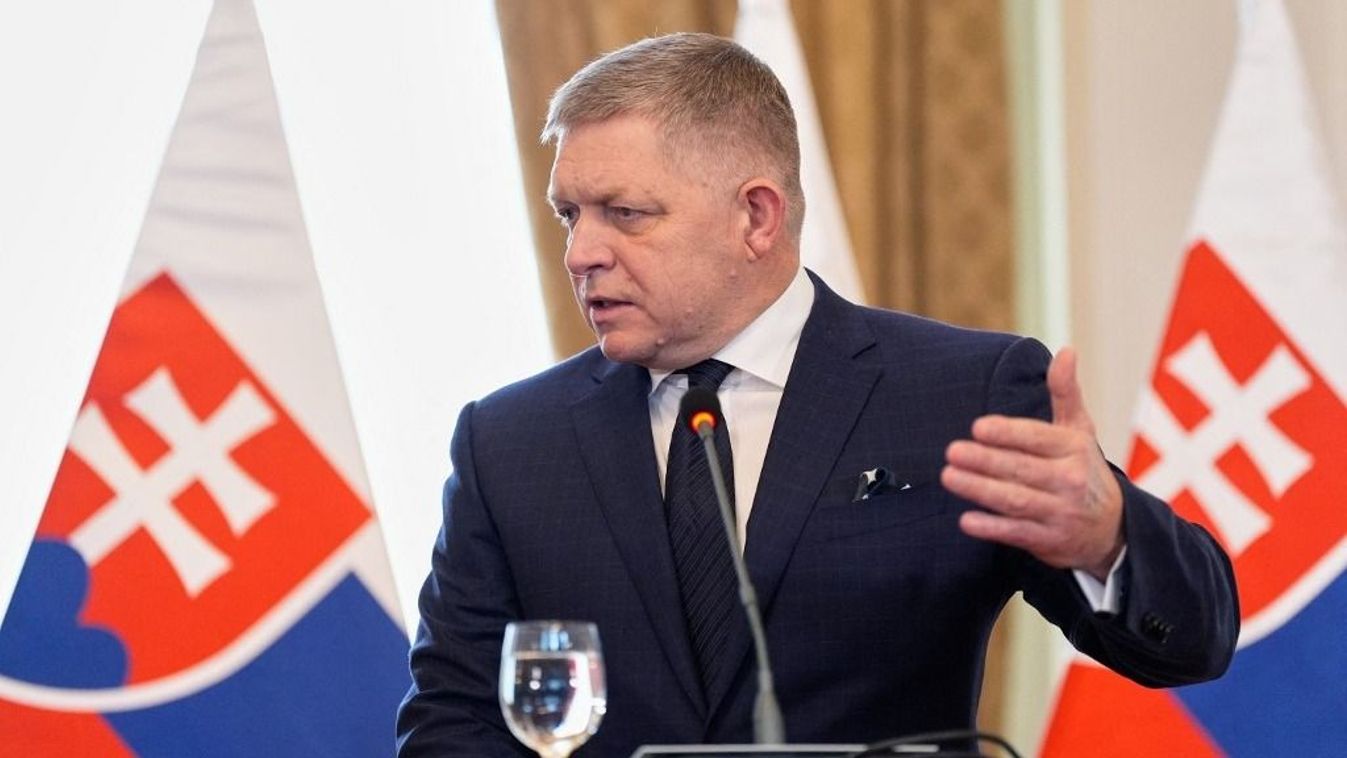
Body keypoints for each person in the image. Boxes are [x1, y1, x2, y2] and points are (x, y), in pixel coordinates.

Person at [396, 32, 1237, 757]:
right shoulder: (511, 444)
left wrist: (1106, 539)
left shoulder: (956, 393)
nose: (582, 252)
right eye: (568, 215)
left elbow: (1191, 644)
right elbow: (452, 721)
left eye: (624, 213)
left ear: (756, 217)